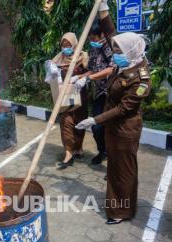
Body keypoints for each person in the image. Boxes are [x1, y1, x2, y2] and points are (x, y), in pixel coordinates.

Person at [76, 0, 151, 225]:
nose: (114, 52)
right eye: (115, 48)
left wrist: (94, 119)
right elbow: (111, 34)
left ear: (128, 50)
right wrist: (102, 7)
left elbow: (123, 108)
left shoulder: (141, 79)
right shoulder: (128, 59)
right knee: (117, 169)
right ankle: (119, 204)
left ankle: (121, 211)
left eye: (118, 50)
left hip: (125, 130)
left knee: (123, 171)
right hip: (113, 129)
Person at [74, 20, 114, 165]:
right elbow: (91, 69)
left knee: (108, 127)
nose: (92, 41)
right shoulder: (94, 49)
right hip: (98, 93)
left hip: (110, 94)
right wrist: (79, 77)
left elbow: (110, 69)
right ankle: (102, 151)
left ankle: (112, 160)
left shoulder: (110, 47)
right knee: (96, 127)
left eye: (94, 38)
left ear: (102, 34)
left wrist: (89, 78)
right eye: (90, 38)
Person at [52, 33, 89, 169]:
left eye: (68, 45)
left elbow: (92, 72)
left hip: (81, 96)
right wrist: (50, 75)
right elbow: (52, 78)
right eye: (63, 45)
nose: (66, 47)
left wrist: (81, 77)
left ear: (74, 44)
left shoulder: (83, 57)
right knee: (66, 123)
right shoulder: (57, 59)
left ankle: (78, 148)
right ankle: (68, 153)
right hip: (64, 98)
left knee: (80, 122)